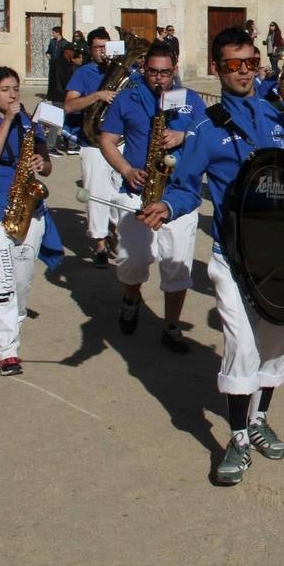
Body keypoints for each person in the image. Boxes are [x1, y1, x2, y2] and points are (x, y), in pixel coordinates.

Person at [144, 27, 284, 485]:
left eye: (251, 62)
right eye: (234, 64)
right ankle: (235, 439)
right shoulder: (206, 126)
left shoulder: (280, 116)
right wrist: (167, 206)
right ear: (217, 69)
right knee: (241, 343)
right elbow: (184, 186)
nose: (244, 71)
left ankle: (258, 420)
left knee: (277, 343)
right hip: (234, 254)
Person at [99, 42, 205, 353]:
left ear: (175, 68)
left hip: (179, 196)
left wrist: (184, 135)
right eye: (152, 72)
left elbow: (207, 135)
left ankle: (171, 325)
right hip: (136, 193)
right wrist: (126, 168)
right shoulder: (128, 97)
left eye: (165, 73)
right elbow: (106, 139)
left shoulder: (191, 100)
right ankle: (131, 299)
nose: (158, 79)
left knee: (176, 267)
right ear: (144, 67)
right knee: (133, 261)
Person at [0, 67, 64, 376]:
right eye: (5, 89)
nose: (13, 94)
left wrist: (40, 162)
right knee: (1, 281)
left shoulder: (31, 123)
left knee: (21, 280)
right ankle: (7, 350)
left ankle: (13, 329)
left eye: (16, 88)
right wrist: (7, 121)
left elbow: (47, 166)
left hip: (27, 206)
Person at [65, 28, 122, 267]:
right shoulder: (83, 73)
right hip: (93, 142)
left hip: (121, 141)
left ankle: (117, 232)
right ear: (90, 49)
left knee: (123, 192)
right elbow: (69, 105)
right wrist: (97, 95)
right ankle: (99, 243)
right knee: (97, 193)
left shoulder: (123, 73)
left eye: (106, 47)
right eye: (98, 47)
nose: (102, 52)